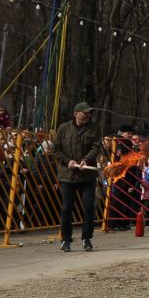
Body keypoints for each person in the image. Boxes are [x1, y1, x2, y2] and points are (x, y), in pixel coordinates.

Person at [53, 101, 102, 252]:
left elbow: (96, 147)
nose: (88, 115)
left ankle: (87, 238)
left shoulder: (94, 128)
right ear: (76, 114)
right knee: (67, 208)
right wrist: (68, 161)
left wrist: (85, 160)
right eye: (85, 112)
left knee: (89, 207)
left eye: (89, 112)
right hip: (68, 176)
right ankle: (65, 240)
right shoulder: (63, 128)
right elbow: (56, 149)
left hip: (87, 175)